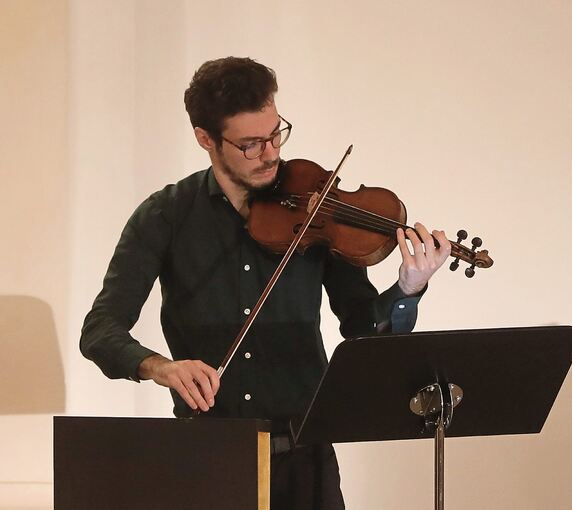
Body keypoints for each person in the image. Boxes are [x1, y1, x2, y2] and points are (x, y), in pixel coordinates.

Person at [80, 56, 451, 510]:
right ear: (205, 139)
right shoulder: (164, 217)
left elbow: (362, 329)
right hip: (208, 461)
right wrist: (161, 367)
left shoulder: (318, 212)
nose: (272, 153)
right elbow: (99, 330)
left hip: (306, 460)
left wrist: (408, 289)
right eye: (251, 144)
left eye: (277, 134)